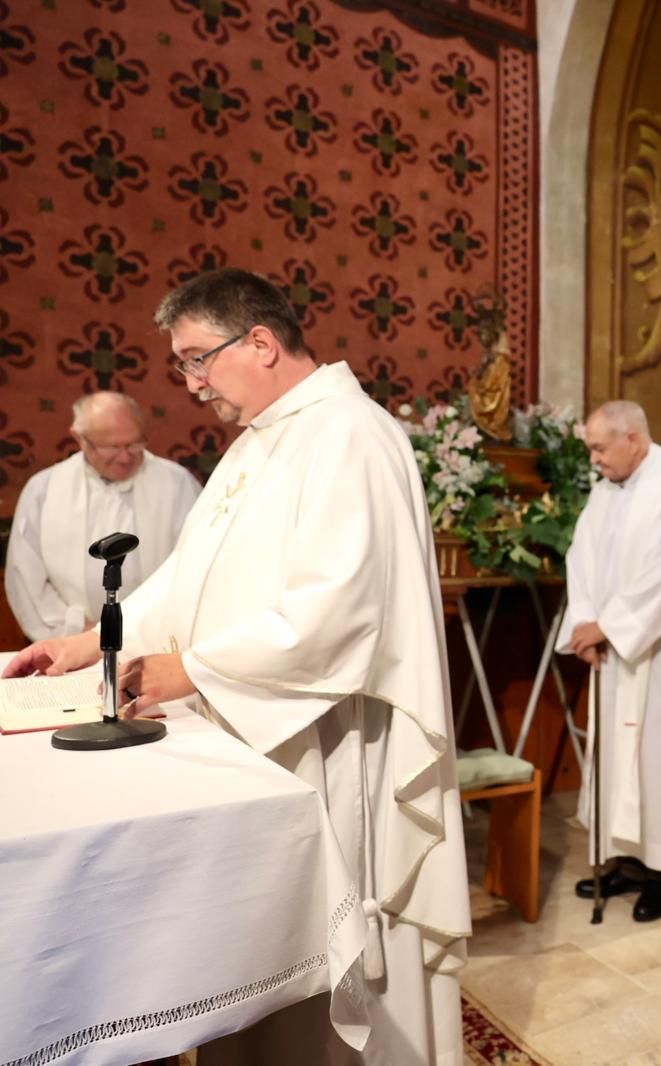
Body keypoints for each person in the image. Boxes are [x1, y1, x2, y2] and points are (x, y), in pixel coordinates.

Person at [4, 268, 471, 1064]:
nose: (191, 383)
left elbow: (338, 612)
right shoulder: (263, 439)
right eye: (182, 365)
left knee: (323, 988)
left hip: (325, 741)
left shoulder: (348, 435)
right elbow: (191, 576)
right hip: (258, 732)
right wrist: (89, 644)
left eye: (196, 359)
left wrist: (189, 671)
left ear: (259, 342)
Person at [557, 400, 661, 923]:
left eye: (599, 448)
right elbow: (580, 559)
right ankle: (627, 862)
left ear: (632, 438)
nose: (594, 460)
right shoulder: (605, 492)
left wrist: (606, 627)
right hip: (616, 652)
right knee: (619, 761)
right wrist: (586, 623)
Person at [4, 392, 200, 641]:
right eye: (112, 447)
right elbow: (25, 575)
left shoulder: (177, 484)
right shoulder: (43, 490)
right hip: (70, 639)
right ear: (79, 438)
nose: (126, 457)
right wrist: (74, 629)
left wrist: (149, 629)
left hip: (156, 638)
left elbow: (195, 562)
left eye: (134, 444)